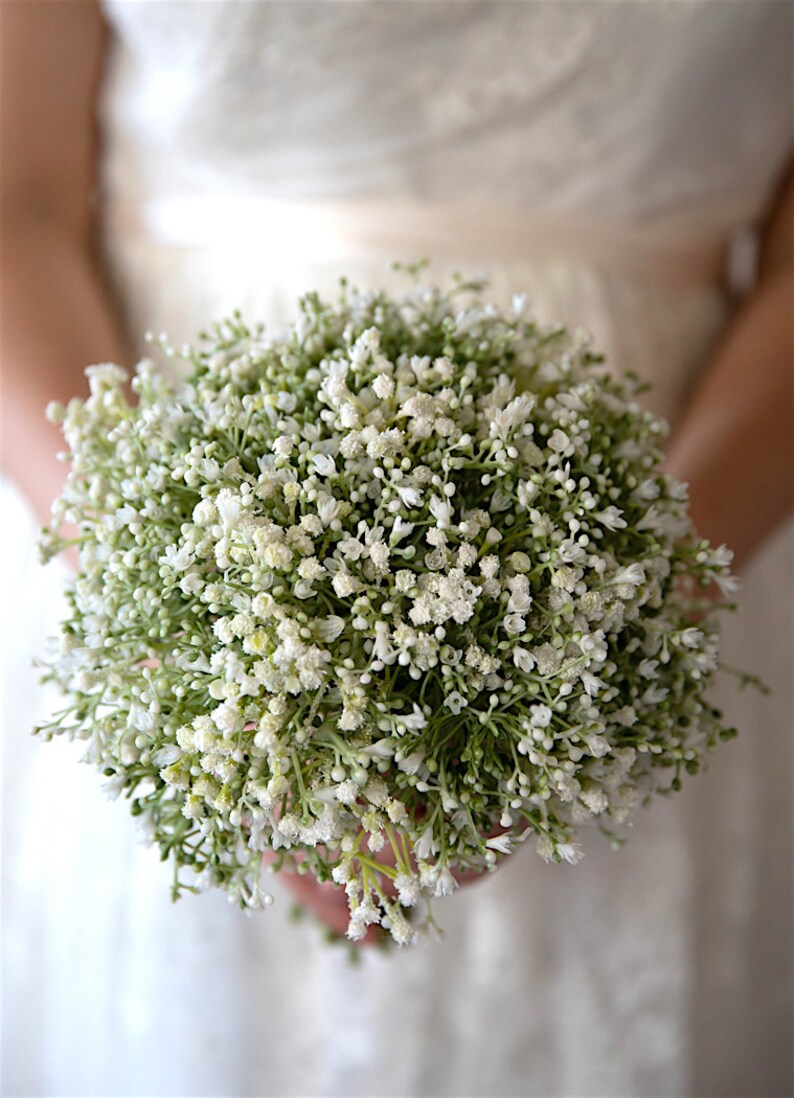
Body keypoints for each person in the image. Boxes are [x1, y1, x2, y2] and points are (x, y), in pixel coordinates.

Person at [2, 2, 791, 1095]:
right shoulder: (181, 617)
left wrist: (618, 622)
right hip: (173, 530)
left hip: (673, 520)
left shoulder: (628, 600)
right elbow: (16, 210)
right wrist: (182, 642)